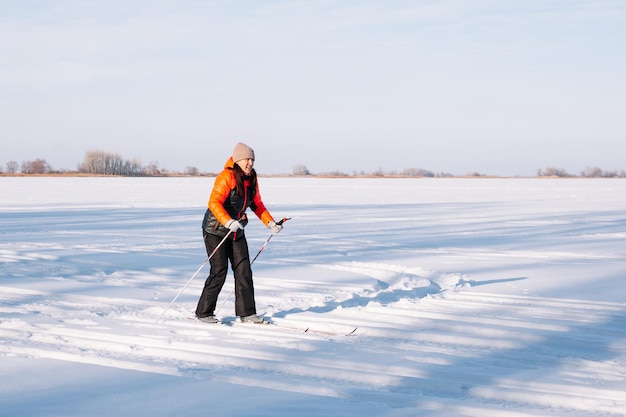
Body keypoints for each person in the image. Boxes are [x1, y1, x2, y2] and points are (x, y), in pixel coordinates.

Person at [195, 142, 283, 324]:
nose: (250, 162)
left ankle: (248, 314)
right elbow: (214, 202)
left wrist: (270, 222)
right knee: (219, 271)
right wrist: (228, 221)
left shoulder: (252, 179)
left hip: (237, 231)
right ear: (237, 160)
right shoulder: (226, 177)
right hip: (215, 230)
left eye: (252, 159)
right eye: (247, 159)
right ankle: (204, 313)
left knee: (244, 271)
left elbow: (256, 204)